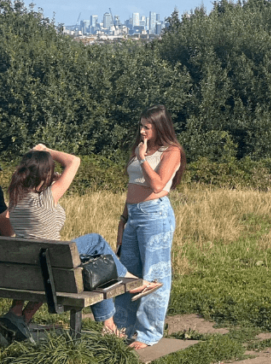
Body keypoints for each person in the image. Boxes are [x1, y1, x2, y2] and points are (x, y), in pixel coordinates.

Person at [1, 146, 159, 342]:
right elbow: (74, 161)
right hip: (53, 267)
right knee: (96, 241)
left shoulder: (16, 200)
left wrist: (49, 179)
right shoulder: (47, 199)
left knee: (91, 261)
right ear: (44, 173)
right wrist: (47, 150)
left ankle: (108, 325)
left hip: (39, 269)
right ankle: (132, 282)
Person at [114, 105, 185, 350]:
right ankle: (122, 327)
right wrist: (123, 220)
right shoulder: (140, 148)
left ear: (160, 126)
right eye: (141, 125)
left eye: (147, 126)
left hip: (155, 214)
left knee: (154, 274)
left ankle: (148, 333)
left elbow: (157, 185)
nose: (142, 130)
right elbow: (132, 185)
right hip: (133, 215)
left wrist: (143, 158)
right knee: (128, 272)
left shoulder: (171, 151)